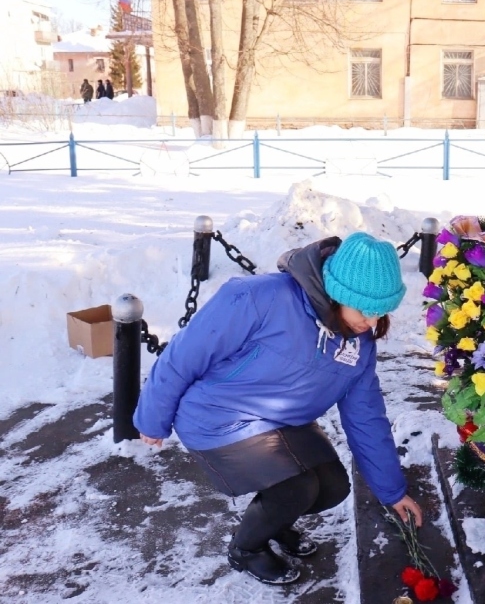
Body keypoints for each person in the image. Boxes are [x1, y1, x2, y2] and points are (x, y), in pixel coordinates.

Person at [133, 232, 421, 586]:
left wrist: (393, 491)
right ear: (339, 294)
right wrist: (153, 418)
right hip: (218, 419)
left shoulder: (358, 343)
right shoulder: (259, 297)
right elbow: (184, 356)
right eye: (366, 310)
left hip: (281, 425)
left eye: (382, 312)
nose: (373, 323)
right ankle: (246, 549)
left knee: (332, 487)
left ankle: (273, 522)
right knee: (296, 488)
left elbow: (366, 417)